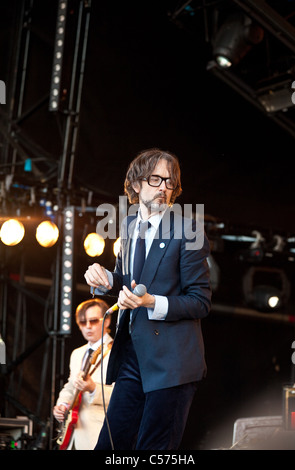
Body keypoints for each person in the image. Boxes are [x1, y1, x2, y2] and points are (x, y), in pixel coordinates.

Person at [84, 148, 211, 450]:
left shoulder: (188, 230)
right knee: (109, 447)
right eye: (156, 179)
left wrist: (151, 302)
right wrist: (104, 279)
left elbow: (200, 301)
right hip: (133, 355)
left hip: (171, 364)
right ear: (136, 184)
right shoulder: (128, 227)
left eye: (170, 181)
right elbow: (127, 282)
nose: (164, 188)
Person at [53, 298, 114, 450]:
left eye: (93, 321)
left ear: (106, 322)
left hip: (100, 434)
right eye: (82, 322)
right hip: (72, 434)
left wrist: (93, 388)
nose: (87, 326)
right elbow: (71, 385)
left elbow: (125, 395)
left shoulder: (118, 352)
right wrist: (62, 405)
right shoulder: (77, 353)